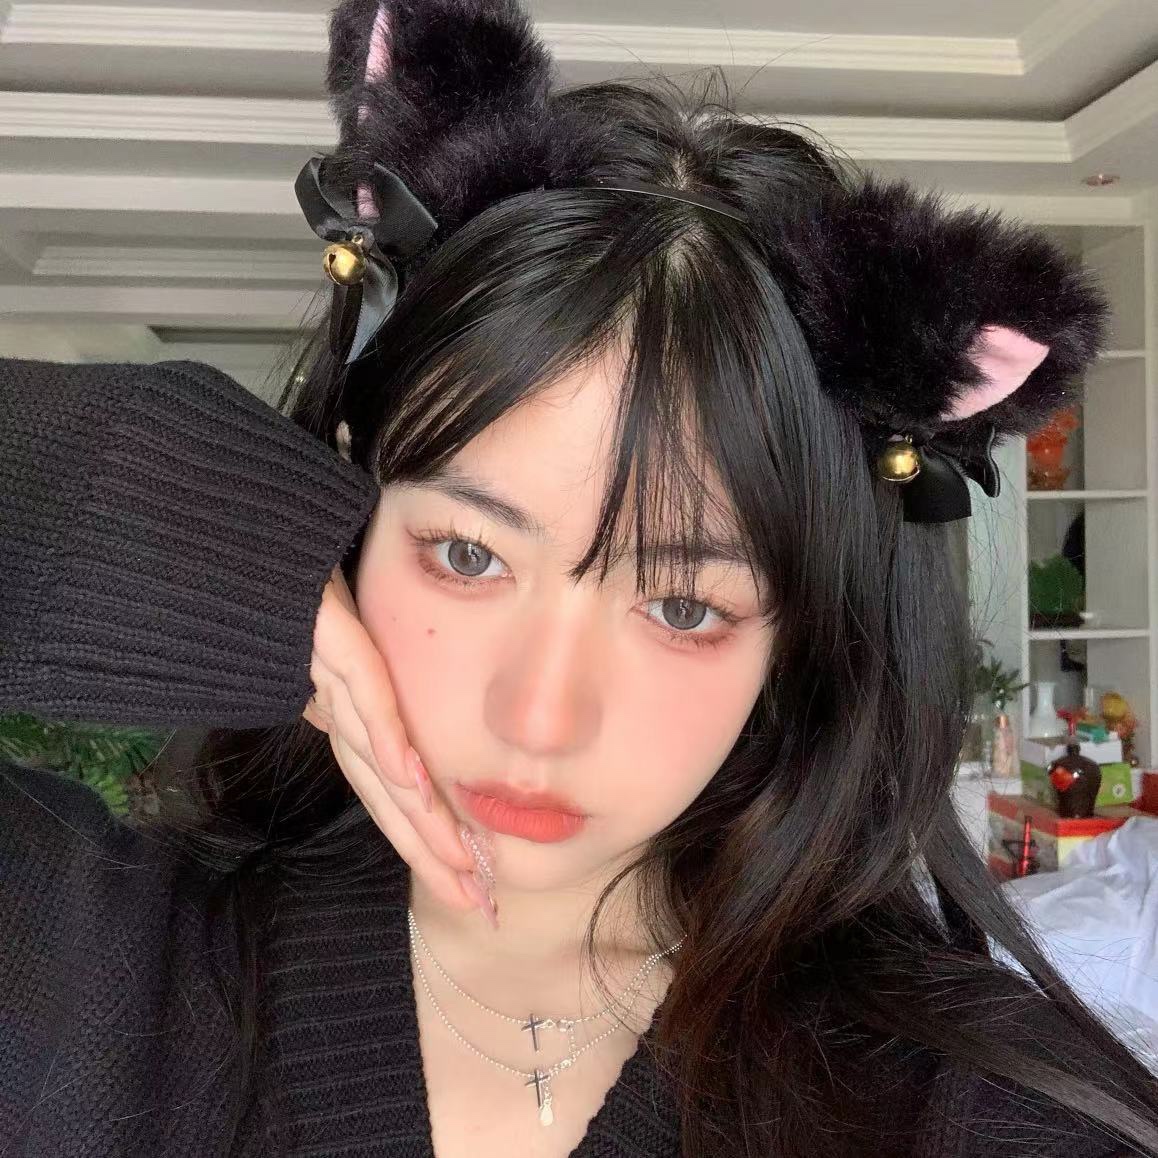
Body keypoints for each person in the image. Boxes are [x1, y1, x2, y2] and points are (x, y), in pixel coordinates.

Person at [2, 1, 1157, 1155]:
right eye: (467, 554)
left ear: (799, 639)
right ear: (348, 514)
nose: (540, 716)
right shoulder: (96, 965)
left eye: (683, 607)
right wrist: (194, 520)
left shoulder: (972, 1116)